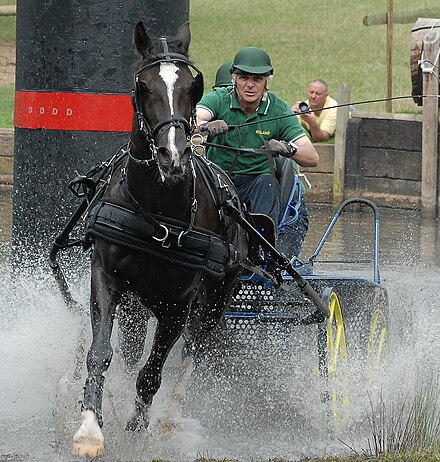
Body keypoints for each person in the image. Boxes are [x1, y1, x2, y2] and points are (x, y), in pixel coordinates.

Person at [196, 46, 319, 258]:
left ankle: (263, 252)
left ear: (266, 83)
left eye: (258, 79)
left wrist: (287, 148)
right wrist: (205, 126)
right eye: (244, 78)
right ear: (234, 79)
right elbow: (193, 118)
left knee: (265, 182)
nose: (250, 85)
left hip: (257, 182)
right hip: (218, 179)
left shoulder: (279, 109)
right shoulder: (218, 98)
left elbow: (312, 157)